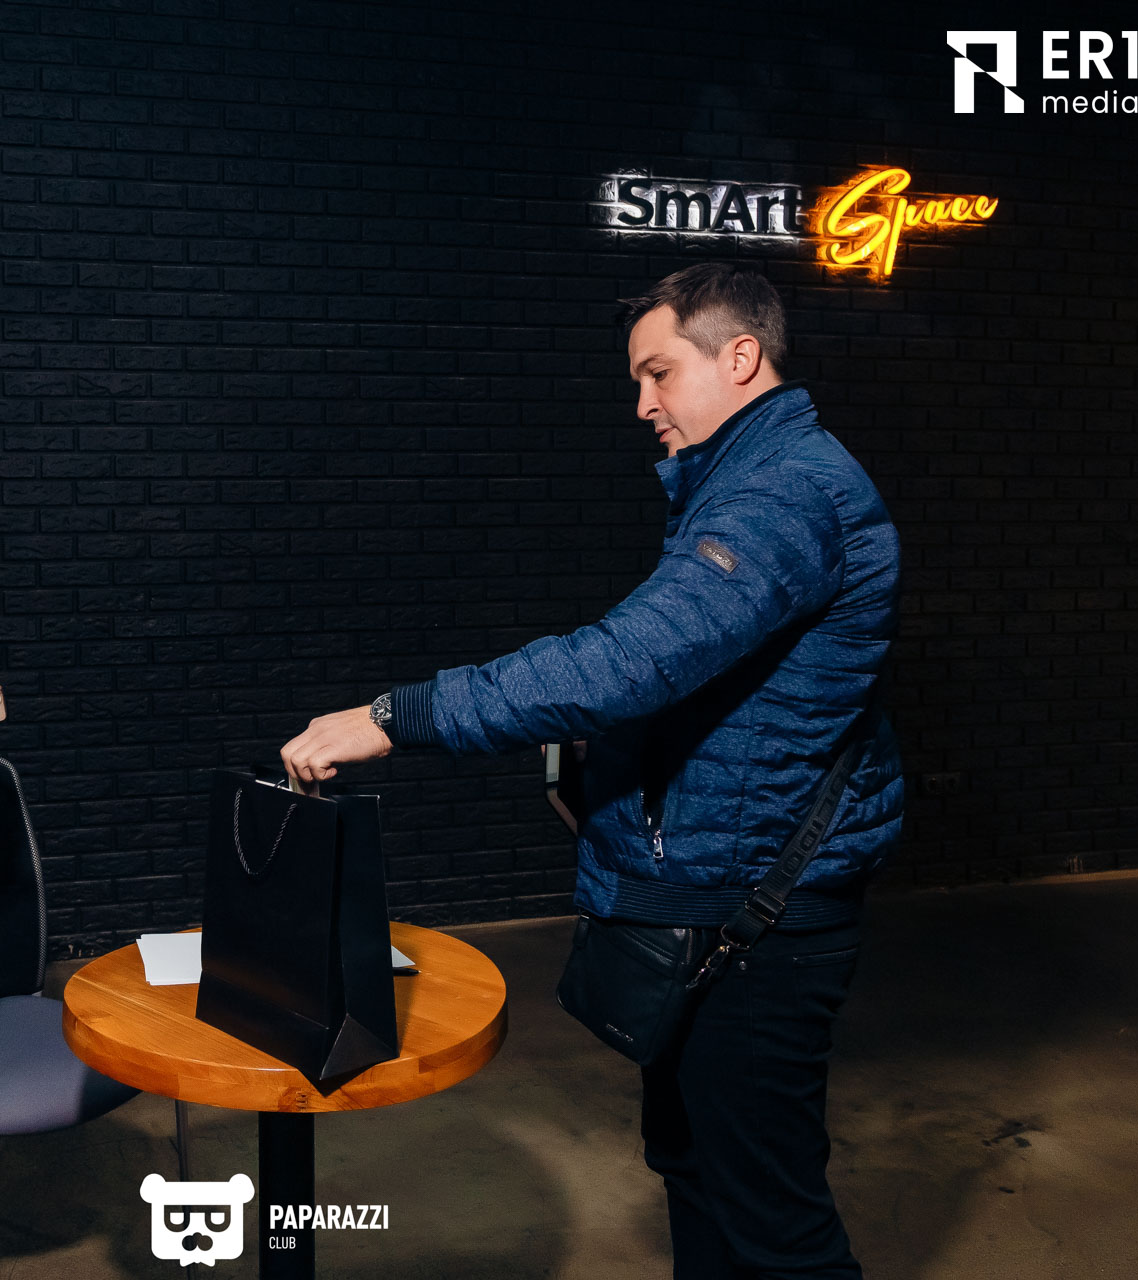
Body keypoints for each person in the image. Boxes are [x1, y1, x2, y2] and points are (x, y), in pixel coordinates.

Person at [281, 262, 902, 1278]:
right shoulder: (745, 481)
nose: (643, 402)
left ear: (741, 357)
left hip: (756, 920)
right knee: (697, 1170)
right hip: (718, 895)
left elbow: (628, 662)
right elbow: (708, 686)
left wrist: (399, 715)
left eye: (660, 372)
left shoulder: (785, 494)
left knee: (774, 1224)